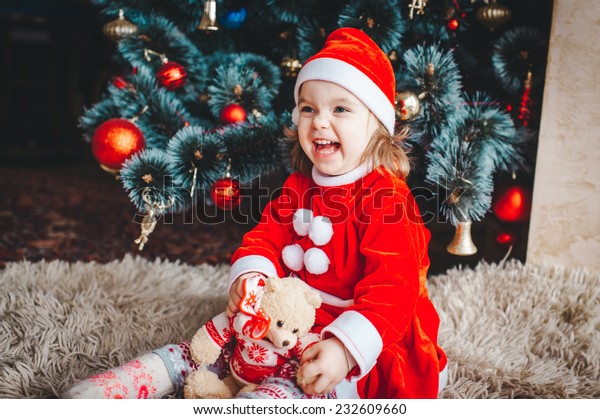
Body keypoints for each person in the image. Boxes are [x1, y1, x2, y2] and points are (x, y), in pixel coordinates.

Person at [62, 27, 447, 400]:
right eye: (308, 108)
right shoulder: (299, 186)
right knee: (215, 344)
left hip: (356, 328)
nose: (320, 121)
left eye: (341, 109)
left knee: (301, 383)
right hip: (287, 314)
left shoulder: (388, 198)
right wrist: (252, 279)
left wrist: (346, 349)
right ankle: (120, 387)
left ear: (378, 126)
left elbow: (393, 290)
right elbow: (265, 237)